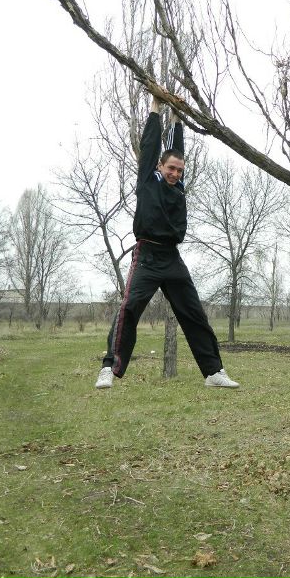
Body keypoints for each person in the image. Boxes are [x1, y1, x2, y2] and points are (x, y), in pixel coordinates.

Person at [95, 94, 238, 390]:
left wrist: (177, 115)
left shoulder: (178, 186)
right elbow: (150, 145)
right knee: (129, 308)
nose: (175, 173)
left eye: (179, 170)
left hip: (172, 259)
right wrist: (155, 107)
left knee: (194, 314)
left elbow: (176, 148)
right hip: (147, 255)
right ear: (159, 166)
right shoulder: (148, 180)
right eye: (170, 168)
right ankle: (110, 367)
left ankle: (213, 372)